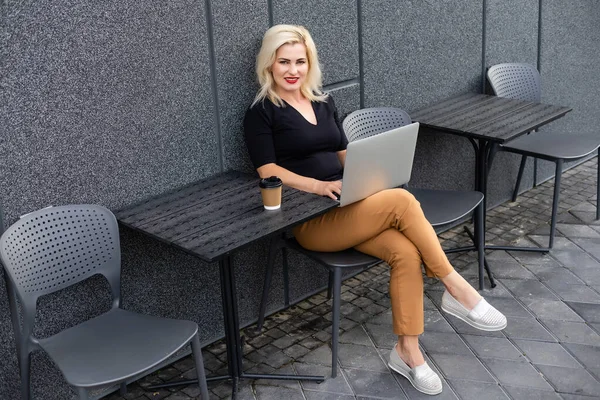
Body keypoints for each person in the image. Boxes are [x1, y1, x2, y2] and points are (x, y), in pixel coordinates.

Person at [244, 24, 507, 396]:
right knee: (401, 201)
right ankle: (455, 285)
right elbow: (267, 170)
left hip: (348, 203)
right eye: (283, 61)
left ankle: (408, 353)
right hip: (310, 219)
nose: (292, 70)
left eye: (300, 61)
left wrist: (371, 171)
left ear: (310, 63)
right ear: (269, 64)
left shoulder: (322, 102)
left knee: (404, 251)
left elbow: (343, 152)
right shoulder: (262, 112)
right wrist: (319, 186)